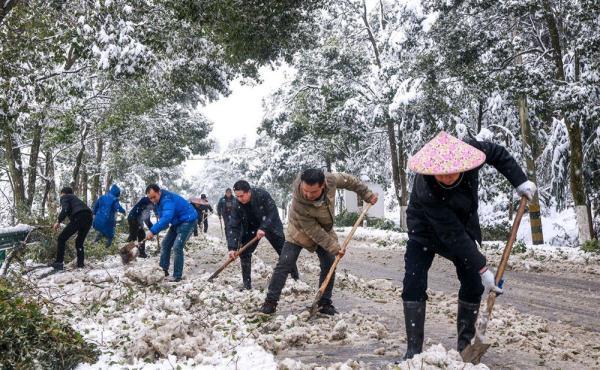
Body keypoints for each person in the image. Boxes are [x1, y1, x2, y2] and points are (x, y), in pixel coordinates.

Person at [401, 131, 536, 359]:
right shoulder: (426, 187)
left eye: (451, 173)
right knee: (413, 280)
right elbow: (450, 233)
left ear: (462, 164)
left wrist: (520, 181)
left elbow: (498, 154)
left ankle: (465, 346)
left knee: (473, 284)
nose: (446, 178)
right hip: (425, 230)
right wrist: (483, 267)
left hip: (463, 225)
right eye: (440, 175)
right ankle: (413, 350)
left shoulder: (471, 153)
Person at [260, 169, 377, 315]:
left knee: (329, 263)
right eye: (305, 190)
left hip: (324, 228)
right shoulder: (299, 202)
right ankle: (270, 302)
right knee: (285, 263)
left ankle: (324, 302)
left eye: (313, 192)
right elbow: (313, 231)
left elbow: (350, 181)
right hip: (298, 230)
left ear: (323, 186)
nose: (308, 195)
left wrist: (367, 194)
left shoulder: (331, 180)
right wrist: (334, 246)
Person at [227, 180, 299, 290]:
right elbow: (233, 226)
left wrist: (263, 227)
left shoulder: (262, 195)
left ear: (249, 192)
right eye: (237, 196)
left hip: (270, 224)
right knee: (244, 253)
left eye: (242, 196)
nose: (239, 199)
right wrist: (232, 247)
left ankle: (296, 278)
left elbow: (272, 213)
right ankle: (247, 285)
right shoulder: (237, 204)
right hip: (250, 227)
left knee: (283, 251)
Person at [145, 184, 198, 282]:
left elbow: (166, 218)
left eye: (154, 197)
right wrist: (157, 229)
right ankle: (163, 270)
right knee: (165, 244)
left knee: (177, 246)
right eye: (150, 198)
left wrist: (152, 230)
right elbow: (164, 221)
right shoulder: (158, 202)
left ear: (159, 192)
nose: (152, 200)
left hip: (188, 220)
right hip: (177, 221)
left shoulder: (167, 200)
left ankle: (177, 276)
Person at [51, 187, 93, 270]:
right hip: (89, 217)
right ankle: (80, 264)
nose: (60, 196)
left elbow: (65, 209)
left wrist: (58, 221)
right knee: (79, 242)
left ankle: (59, 263)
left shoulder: (65, 197)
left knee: (61, 238)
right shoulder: (75, 199)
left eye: (61, 194)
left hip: (79, 216)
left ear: (63, 193)